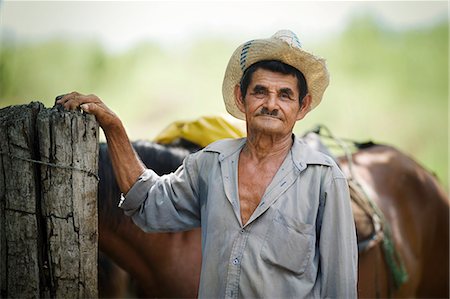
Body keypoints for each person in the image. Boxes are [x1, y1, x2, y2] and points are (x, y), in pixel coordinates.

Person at [57, 29, 358, 298]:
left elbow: (340, 287)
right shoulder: (212, 163)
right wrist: (114, 127)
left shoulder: (324, 179)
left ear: (302, 106)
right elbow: (149, 203)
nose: (271, 104)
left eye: (285, 95)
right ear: (241, 98)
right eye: (260, 91)